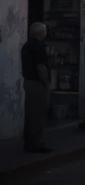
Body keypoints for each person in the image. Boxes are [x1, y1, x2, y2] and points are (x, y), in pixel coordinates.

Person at [21, 22, 51, 153]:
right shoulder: (38, 46)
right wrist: (46, 83)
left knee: (31, 113)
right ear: (40, 32)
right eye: (44, 31)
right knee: (37, 114)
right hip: (37, 83)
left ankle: (30, 140)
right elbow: (41, 67)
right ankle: (34, 143)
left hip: (28, 82)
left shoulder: (26, 46)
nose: (46, 33)